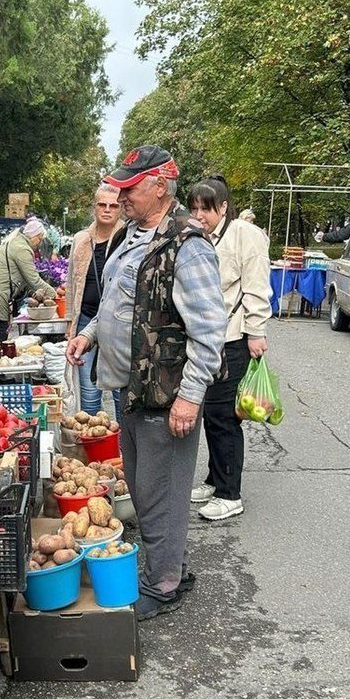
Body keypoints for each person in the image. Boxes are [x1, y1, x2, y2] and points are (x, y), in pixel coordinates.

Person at [66, 145, 227, 620]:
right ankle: (168, 563)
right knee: (142, 486)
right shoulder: (133, 235)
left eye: (129, 186)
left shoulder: (187, 244)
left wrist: (190, 398)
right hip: (132, 390)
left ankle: (164, 582)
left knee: (161, 491)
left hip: (165, 395)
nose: (120, 193)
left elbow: (209, 328)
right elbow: (118, 301)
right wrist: (91, 335)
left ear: (159, 187)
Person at [188, 177, 272, 520]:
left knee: (224, 416)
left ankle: (229, 493)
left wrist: (256, 331)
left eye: (205, 208)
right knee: (210, 412)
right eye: (194, 208)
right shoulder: (201, 235)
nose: (199, 214)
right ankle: (213, 477)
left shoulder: (243, 234)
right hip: (207, 338)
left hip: (234, 338)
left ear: (223, 207)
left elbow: (256, 285)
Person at [66, 183, 125, 414]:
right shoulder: (81, 240)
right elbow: (71, 283)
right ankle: (95, 447)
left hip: (119, 324)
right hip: (85, 321)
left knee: (122, 393)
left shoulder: (128, 238)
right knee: (89, 393)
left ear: (120, 209)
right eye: (102, 204)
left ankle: (124, 449)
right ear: (94, 207)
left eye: (113, 205)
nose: (107, 209)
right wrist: (70, 323)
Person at [0, 217, 56, 341]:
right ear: (35, 237)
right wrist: (54, 295)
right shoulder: (23, 249)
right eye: (40, 239)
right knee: (0, 337)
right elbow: (33, 280)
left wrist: (35, 293)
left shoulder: (17, 243)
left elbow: (25, 280)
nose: (40, 243)